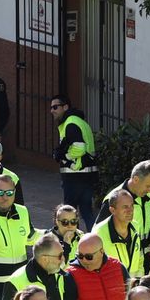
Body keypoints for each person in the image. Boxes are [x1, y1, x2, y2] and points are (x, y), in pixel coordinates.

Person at [50, 95, 99, 228]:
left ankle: (71, 242)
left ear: (65, 107)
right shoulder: (80, 122)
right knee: (86, 211)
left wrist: (65, 157)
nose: (52, 110)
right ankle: (95, 241)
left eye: (55, 107)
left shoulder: (70, 123)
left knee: (69, 212)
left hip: (74, 175)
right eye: (51, 108)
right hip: (87, 175)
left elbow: (79, 147)